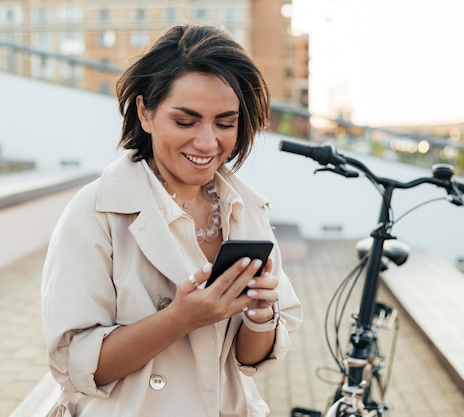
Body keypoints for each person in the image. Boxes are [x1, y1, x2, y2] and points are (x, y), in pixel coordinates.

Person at [42, 23, 303, 417]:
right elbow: (76, 364)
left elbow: (249, 361)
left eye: (225, 123)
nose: (207, 142)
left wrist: (260, 314)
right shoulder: (97, 210)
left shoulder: (244, 207)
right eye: (185, 121)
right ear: (145, 113)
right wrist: (180, 319)